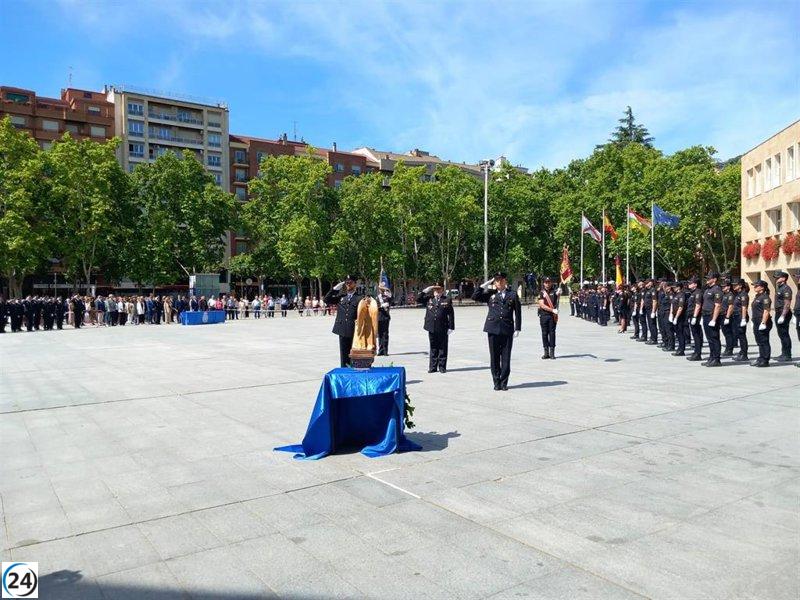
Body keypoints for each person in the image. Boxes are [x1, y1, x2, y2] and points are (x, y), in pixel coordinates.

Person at [472, 272, 522, 391]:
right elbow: (475, 296)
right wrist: (486, 283)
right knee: (494, 357)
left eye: (501, 280)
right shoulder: (490, 294)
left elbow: (518, 313)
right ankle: (496, 381)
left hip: (507, 329)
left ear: (505, 281)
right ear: (494, 282)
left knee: (506, 357)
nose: (499, 282)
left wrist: (517, 328)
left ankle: (504, 382)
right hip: (493, 329)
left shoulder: (513, 295)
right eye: (497, 280)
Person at [323, 275, 363, 368]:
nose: (348, 284)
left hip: (354, 330)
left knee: (354, 353)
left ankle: (354, 370)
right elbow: (326, 300)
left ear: (355, 284)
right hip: (342, 329)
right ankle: (344, 371)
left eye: (350, 282)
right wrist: (334, 289)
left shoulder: (360, 298)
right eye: (347, 282)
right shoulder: (341, 297)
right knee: (344, 353)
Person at [417, 283, 454, 372]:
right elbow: (418, 299)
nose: (437, 292)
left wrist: (451, 327)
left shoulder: (447, 299)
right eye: (435, 290)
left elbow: (451, 314)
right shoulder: (429, 299)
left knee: (442, 347)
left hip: (443, 327)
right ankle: (433, 367)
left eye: (439, 290)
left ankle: (442, 367)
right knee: (433, 347)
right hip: (431, 327)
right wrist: (426, 290)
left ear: (442, 290)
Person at [700, 272, 723, 367]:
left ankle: (716, 359)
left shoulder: (717, 290)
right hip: (706, 315)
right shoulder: (707, 289)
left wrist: (714, 319)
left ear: (715, 279)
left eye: (709, 278)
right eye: (707, 278)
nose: (707, 279)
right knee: (709, 338)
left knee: (714, 338)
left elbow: (717, 306)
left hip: (711, 316)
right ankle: (712, 357)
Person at [751, 279, 772, 367]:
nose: (754, 287)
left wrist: (763, 323)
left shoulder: (765, 297)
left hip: (763, 321)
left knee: (764, 341)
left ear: (762, 287)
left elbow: (766, 310)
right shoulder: (757, 296)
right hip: (756, 321)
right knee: (759, 341)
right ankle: (761, 357)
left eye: (756, 286)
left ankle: (765, 360)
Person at [773, 271, 793, 362]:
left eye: (778, 277)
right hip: (778, 313)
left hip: (783, 313)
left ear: (784, 278)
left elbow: (787, 304)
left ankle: (787, 355)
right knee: (781, 334)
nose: (776, 279)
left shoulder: (786, 289)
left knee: (784, 334)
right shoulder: (780, 288)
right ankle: (783, 353)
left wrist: (783, 316)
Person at [537, 276, 558, 359]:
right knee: (544, 333)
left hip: (552, 316)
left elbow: (557, 299)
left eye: (549, 282)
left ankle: (552, 352)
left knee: (552, 333)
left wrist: (559, 293)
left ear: (551, 283)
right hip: (544, 315)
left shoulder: (555, 291)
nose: (547, 284)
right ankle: (546, 352)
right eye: (546, 282)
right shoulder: (541, 293)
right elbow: (542, 305)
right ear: (543, 283)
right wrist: (552, 310)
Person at [731, 279, 750, 362]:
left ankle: (744, 354)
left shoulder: (743, 295)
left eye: (736, 284)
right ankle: (742, 352)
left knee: (742, 336)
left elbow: (744, 307)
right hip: (736, 316)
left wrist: (743, 318)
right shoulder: (738, 294)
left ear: (740, 285)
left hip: (740, 316)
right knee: (739, 335)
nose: (733, 286)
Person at [686, 277, 704, 361]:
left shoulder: (698, 293)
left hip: (695, 316)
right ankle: (696, 352)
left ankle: (697, 353)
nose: (689, 284)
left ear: (695, 284)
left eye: (691, 283)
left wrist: (694, 317)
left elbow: (698, 305)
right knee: (695, 335)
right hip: (692, 316)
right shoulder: (693, 293)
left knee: (697, 335)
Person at [669, 281, 687, 356]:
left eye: (675, 287)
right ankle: (679, 348)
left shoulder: (682, 295)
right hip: (674, 316)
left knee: (680, 333)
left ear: (679, 287)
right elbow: (672, 305)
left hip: (680, 317)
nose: (673, 288)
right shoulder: (676, 295)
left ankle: (681, 349)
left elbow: (680, 307)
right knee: (678, 333)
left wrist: (676, 317)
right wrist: (671, 314)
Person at [376, 285, 393, 356]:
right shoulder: (377, 297)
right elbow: (375, 306)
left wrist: (387, 289)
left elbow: (391, 299)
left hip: (386, 317)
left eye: (382, 289)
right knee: (380, 334)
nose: (381, 291)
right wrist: (381, 306)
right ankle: (380, 350)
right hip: (379, 317)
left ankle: (385, 351)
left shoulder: (387, 296)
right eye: (380, 289)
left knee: (385, 334)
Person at [720, 278, 735, 356]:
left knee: (728, 333)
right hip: (722, 315)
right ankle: (728, 348)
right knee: (725, 333)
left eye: (724, 286)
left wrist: (727, 317)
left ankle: (729, 349)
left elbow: (730, 307)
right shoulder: (724, 295)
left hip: (726, 316)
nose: (723, 288)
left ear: (728, 287)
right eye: (722, 287)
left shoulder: (730, 295)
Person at [643, 279, 658, 345]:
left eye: (647, 283)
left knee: (652, 324)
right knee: (650, 324)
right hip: (648, 309)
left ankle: (654, 339)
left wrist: (653, 311)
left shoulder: (653, 290)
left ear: (651, 283)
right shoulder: (648, 290)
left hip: (651, 310)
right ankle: (652, 337)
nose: (646, 284)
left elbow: (655, 301)